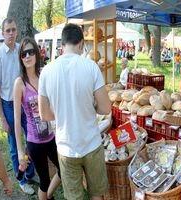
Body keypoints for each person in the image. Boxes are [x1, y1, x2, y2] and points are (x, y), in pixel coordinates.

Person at [38, 23, 111, 200]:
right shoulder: (91, 67)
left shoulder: (47, 71)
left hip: (66, 146)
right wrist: (90, 106)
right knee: (97, 195)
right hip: (91, 143)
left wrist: (63, 112)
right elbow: (105, 108)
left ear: (62, 45)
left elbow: (44, 115)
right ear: (80, 44)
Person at [13, 37, 61, 200]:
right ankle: (46, 195)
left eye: (30, 52)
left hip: (52, 137)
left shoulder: (44, 74)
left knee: (62, 170)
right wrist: (20, 151)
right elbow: (17, 121)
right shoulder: (19, 83)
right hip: (35, 142)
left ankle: (47, 196)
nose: (27, 56)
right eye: (23, 54)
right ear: (20, 58)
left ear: (36, 53)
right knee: (44, 180)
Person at [0, 18, 36, 195]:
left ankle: (30, 172)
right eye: (7, 31)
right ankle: (21, 179)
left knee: (32, 139)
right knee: (14, 145)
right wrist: (2, 118)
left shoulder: (22, 50)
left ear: (17, 31)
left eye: (13, 30)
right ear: (2, 33)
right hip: (8, 105)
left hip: (25, 102)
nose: (11, 33)